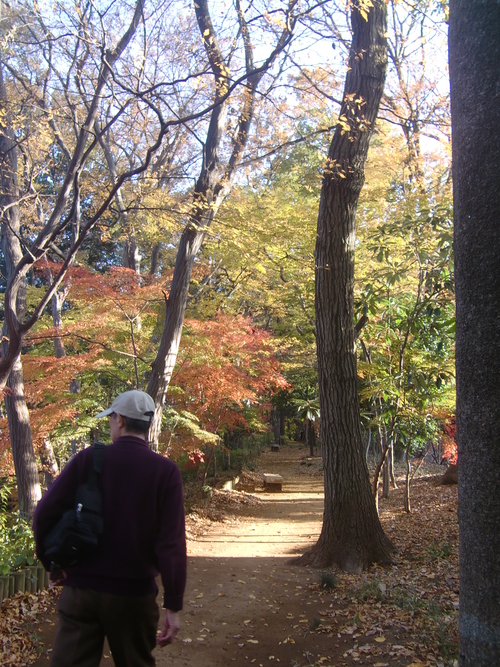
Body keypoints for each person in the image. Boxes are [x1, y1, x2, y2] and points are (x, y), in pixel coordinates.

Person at [33, 390, 187, 667]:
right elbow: (171, 544)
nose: (110, 424)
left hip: (81, 590)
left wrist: (52, 563)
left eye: (111, 418)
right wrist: (173, 604)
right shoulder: (165, 472)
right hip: (134, 595)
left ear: (120, 421)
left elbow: (44, 513)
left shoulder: (88, 459)